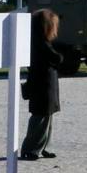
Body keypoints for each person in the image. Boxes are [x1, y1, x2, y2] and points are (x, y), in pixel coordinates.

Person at [21, 8, 62, 160]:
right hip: (43, 83)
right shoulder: (41, 42)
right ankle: (31, 148)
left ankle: (43, 146)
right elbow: (57, 58)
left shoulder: (34, 40)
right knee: (41, 117)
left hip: (44, 83)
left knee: (47, 116)